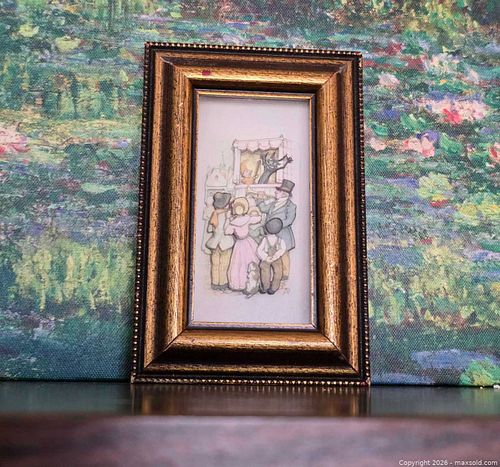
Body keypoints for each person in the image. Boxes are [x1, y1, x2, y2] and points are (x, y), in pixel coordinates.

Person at [258, 179, 296, 280]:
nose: (275, 192)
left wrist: (276, 225)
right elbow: (261, 208)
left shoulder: (291, 206)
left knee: (284, 253)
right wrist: (269, 200)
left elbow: (289, 220)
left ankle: (285, 274)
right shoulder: (274, 203)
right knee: (271, 253)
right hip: (271, 233)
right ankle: (273, 274)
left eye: (278, 191)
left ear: (284, 194)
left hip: (283, 233)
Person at [224, 197, 262, 291]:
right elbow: (227, 231)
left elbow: (257, 219)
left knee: (251, 259)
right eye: (237, 208)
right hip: (240, 243)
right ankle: (241, 283)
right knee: (239, 263)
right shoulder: (234, 222)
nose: (239, 210)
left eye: (240, 208)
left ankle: (253, 282)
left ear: (244, 209)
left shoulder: (246, 218)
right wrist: (227, 219)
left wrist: (256, 212)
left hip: (247, 242)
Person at [205, 192, 234, 290]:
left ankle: (215, 283)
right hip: (225, 243)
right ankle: (222, 283)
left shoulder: (214, 214)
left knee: (215, 264)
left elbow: (209, 229)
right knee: (224, 264)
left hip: (214, 243)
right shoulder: (227, 215)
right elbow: (228, 230)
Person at [257, 218, 286, 294]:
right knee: (278, 272)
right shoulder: (280, 240)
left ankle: (265, 287)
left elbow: (259, 250)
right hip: (272, 258)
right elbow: (282, 249)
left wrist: (267, 257)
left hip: (271, 258)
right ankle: (273, 288)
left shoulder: (265, 239)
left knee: (266, 272)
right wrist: (273, 256)